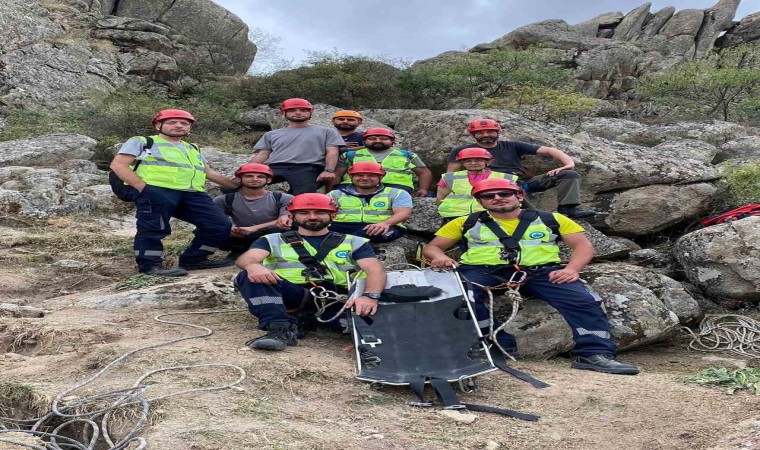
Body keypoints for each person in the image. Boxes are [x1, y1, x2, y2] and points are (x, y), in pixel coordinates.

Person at [422, 178, 639, 375]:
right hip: (482, 270)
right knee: (460, 295)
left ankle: (593, 353)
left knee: (583, 299)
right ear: (480, 202)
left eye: (504, 193)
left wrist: (571, 269)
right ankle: (494, 342)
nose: (497, 198)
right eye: (488, 196)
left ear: (519, 196)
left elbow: (583, 246)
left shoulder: (551, 219)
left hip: (541, 271)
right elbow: (433, 247)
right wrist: (441, 258)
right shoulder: (465, 222)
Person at [234, 193, 387, 351]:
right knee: (247, 275)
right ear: (292, 216)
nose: (312, 217)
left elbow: (374, 269)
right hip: (294, 295)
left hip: (336, 299)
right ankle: (280, 330)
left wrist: (370, 296)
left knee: (368, 327)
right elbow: (247, 258)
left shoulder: (354, 242)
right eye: (304, 213)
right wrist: (253, 266)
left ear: (333, 215)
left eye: (320, 212)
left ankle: (306, 320)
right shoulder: (271, 240)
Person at [110, 109, 240, 277]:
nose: (179, 125)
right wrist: (144, 188)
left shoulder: (192, 148)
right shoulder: (143, 141)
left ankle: (194, 259)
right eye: (172, 122)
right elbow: (118, 165)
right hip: (157, 191)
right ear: (158, 125)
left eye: (184, 123)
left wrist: (237, 185)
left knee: (219, 225)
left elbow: (208, 172)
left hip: (192, 194)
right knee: (154, 228)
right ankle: (150, 266)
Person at [447, 119, 596, 219]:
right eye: (480, 132)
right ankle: (534, 216)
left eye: (490, 131)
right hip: (491, 184)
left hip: (523, 181)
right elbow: (450, 175)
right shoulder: (463, 150)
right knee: (512, 190)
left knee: (569, 174)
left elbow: (549, 150)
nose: (485, 135)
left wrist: (568, 164)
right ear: (473, 134)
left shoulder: (512, 145)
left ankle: (568, 209)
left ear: (497, 132)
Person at [250, 98, 344, 194]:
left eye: (303, 110)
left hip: (308, 168)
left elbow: (332, 152)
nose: (298, 113)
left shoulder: (327, 132)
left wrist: (329, 170)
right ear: (284, 113)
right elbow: (263, 154)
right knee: (243, 184)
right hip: (275, 167)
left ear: (311, 112)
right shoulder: (271, 134)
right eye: (292, 110)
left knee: (302, 196)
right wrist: (247, 170)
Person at [213, 163, 293, 259]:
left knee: (288, 227)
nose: (255, 179)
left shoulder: (283, 198)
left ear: (268, 180)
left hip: (271, 235)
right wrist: (231, 228)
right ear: (239, 179)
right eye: (249, 176)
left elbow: (284, 220)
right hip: (240, 236)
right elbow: (215, 219)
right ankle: (203, 254)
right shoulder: (224, 200)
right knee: (208, 229)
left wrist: (253, 228)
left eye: (260, 176)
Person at [327, 161, 412, 243]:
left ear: (381, 177)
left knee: (375, 233)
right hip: (341, 226)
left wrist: (385, 223)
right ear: (351, 176)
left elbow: (404, 213)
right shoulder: (335, 194)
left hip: (380, 227)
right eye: (359, 175)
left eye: (371, 175)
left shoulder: (396, 193)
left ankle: (346, 243)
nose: (365, 178)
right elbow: (322, 213)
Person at [334, 127, 433, 197]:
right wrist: (331, 190)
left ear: (393, 142)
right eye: (372, 138)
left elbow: (424, 172)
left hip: (396, 187)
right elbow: (337, 175)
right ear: (364, 142)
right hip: (354, 187)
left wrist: (423, 189)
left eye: (383, 139)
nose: (378, 141)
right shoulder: (350, 155)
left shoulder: (407, 155)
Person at [437, 147, 518, 223]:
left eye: (478, 160)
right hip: (454, 215)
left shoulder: (505, 177)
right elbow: (440, 198)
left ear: (488, 162)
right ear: (462, 163)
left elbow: (516, 199)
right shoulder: (449, 177)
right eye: (468, 161)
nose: (473, 163)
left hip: (489, 215)